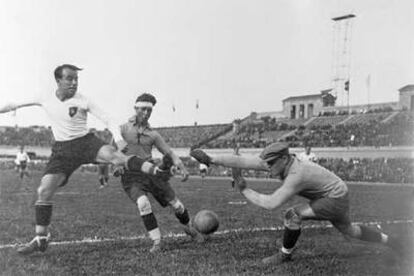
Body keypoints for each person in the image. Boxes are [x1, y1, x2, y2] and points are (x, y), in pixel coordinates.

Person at [0, 64, 171, 255]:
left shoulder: (83, 100)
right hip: (62, 150)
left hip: (85, 142)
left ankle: (158, 172)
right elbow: (14, 104)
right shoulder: (44, 97)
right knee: (44, 190)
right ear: (58, 80)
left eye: (76, 79)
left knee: (116, 157)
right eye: (69, 79)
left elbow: (108, 119)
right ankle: (41, 238)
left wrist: (119, 138)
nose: (74, 83)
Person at [190, 143, 403, 265]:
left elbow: (272, 203)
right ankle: (390, 241)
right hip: (336, 191)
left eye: (272, 164)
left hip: (334, 197)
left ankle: (285, 254)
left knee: (292, 215)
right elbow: (244, 161)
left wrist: (244, 189)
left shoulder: (296, 174)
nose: (268, 168)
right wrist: (210, 158)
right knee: (350, 231)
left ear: (283, 158)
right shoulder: (282, 161)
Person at [115, 93, 204, 253]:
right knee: (143, 203)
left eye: (149, 110)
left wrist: (182, 167)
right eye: (143, 109)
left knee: (177, 206)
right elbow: (112, 152)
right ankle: (157, 241)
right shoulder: (122, 129)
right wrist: (116, 164)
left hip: (151, 173)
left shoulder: (154, 134)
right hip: (131, 176)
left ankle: (189, 228)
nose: (146, 113)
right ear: (135, 108)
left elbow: (169, 153)